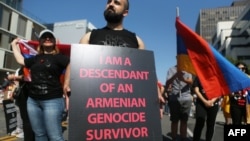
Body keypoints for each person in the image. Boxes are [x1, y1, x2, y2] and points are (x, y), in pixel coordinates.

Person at [11, 29, 70, 141]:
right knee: (39, 135)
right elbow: (21, 61)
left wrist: (66, 84)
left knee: (55, 136)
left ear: (54, 41)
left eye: (50, 37)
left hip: (52, 101)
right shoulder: (35, 58)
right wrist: (14, 45)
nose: (47, 38)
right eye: (44, 37)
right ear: (40, 42)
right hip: (32, 101)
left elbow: (71, 63)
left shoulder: (60, 57)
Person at [79, 0, 145, 49]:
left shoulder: (137, 41)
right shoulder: (88, 37)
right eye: (109, 1)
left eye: (117, 3)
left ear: (125, 13)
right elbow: (76, 65)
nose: (111, 4)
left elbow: (143, 66)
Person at [164, 65, 193, 141]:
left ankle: (183, 138)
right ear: (177, 58)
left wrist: (183, 79)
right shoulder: (171, 69)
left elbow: (191, 81)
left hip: (186, 98)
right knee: (174, 121)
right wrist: (175, 76)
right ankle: (174, 138)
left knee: (184, 121)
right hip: (174, 98)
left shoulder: (188, 69)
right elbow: (167, 83)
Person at [7, 67, 35, 141]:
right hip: (22, 94)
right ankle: (21, 129)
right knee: (22, 115)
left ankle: (23, 130)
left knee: (28, 118)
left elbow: (27, 77)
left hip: (29, 95)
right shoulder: (20, 68)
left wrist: (14, 77)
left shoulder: (30, 65)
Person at [192, 77, 220, 141]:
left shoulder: (217, 77)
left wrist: (212, 101)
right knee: (199, 122)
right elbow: (196, 90)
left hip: (213, 103)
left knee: (210, 124)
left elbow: (219, 91)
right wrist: (205, 101)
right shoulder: (199, 76)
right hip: (201, 103)